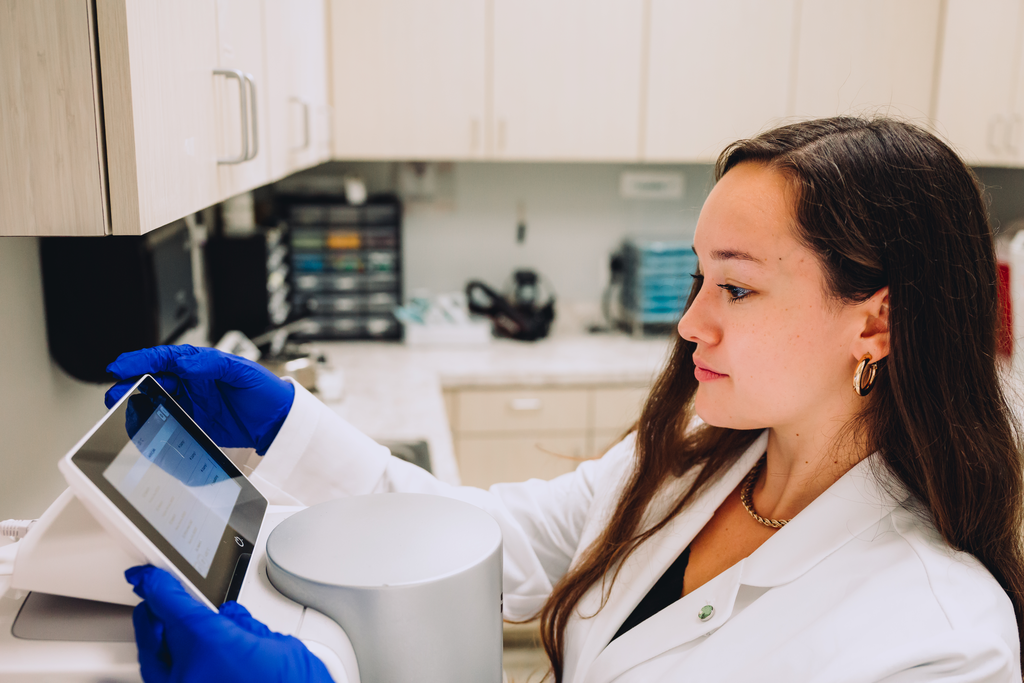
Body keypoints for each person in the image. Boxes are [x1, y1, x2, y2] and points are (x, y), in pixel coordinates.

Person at [108, 116, 1024, 682]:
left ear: (875, 325)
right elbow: (482, 542)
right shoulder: (701, 460)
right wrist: (289, 425)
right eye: (701, 279)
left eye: (735, 288)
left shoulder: (938, 645)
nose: (690, 322)